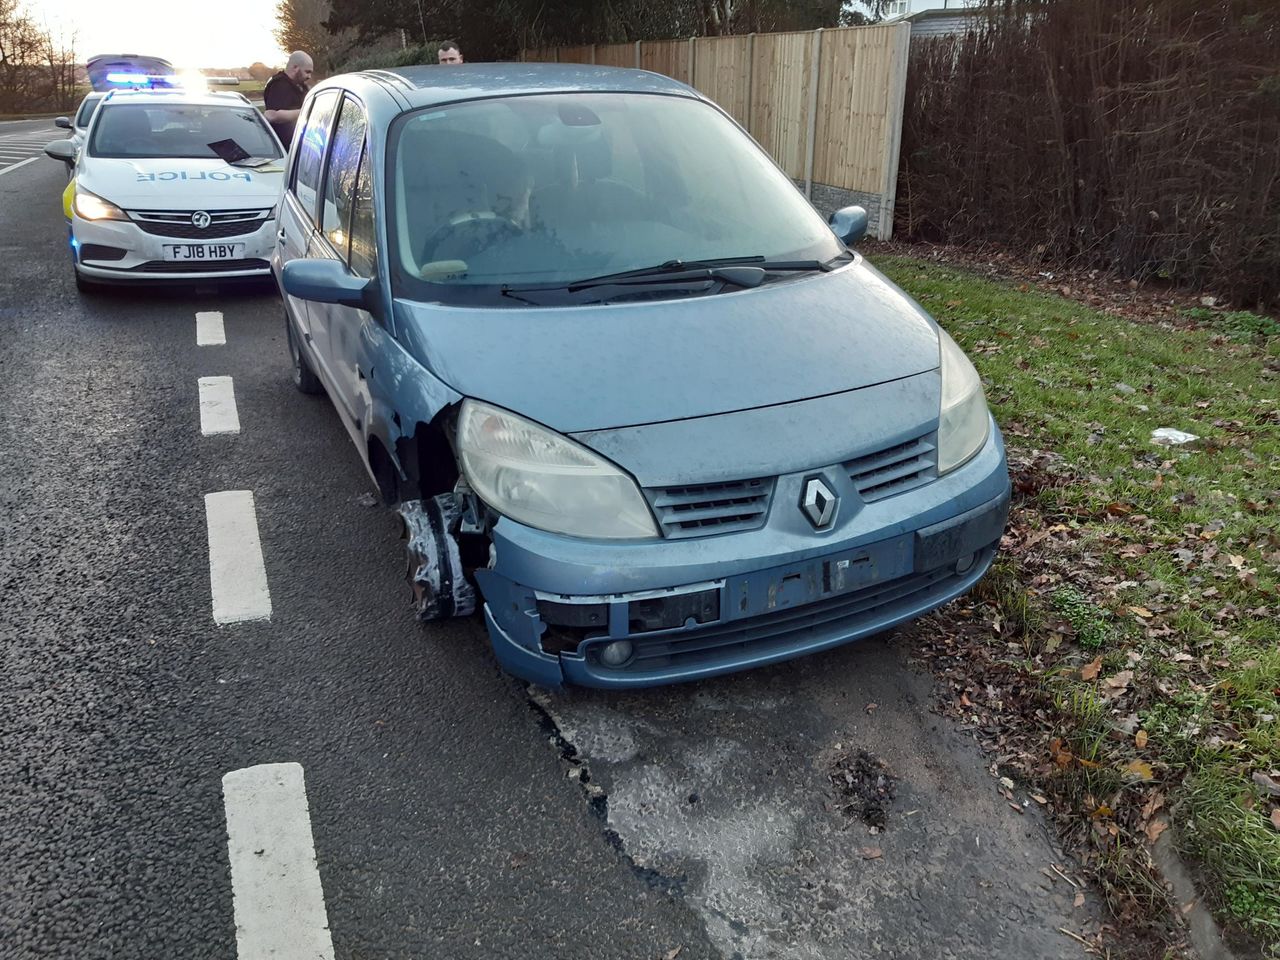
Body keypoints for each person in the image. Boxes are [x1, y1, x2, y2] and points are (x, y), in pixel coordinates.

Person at [263, 51, 314, 147]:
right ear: (295, 68)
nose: (309, 76)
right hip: (284, 147)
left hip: (300, 145)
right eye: (307, 72)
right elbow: (272, 115)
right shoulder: (279, 85)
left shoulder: (300, 85)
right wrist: (308, 111)